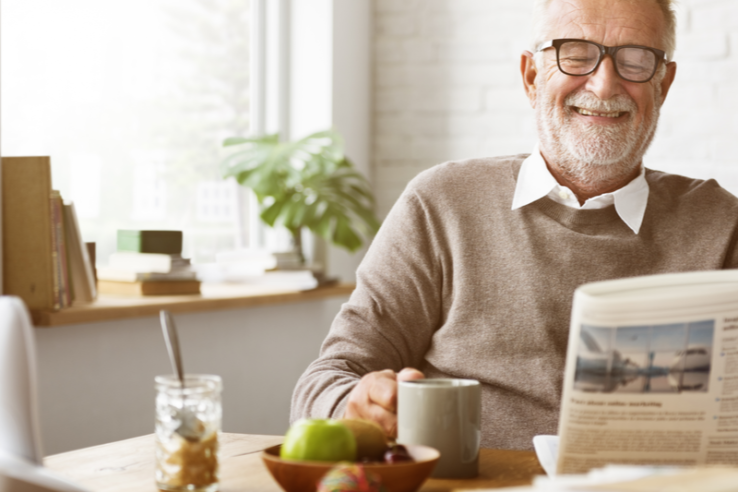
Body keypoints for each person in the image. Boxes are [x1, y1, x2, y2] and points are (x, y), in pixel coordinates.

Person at [290, 0, 738, 450]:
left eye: (636, 60)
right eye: (576, 54)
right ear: (531, 76)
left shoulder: (721, 224)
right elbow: (326, 380)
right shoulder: (442, 203)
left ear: (663, 85)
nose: (604, 85)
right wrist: (354, 403)